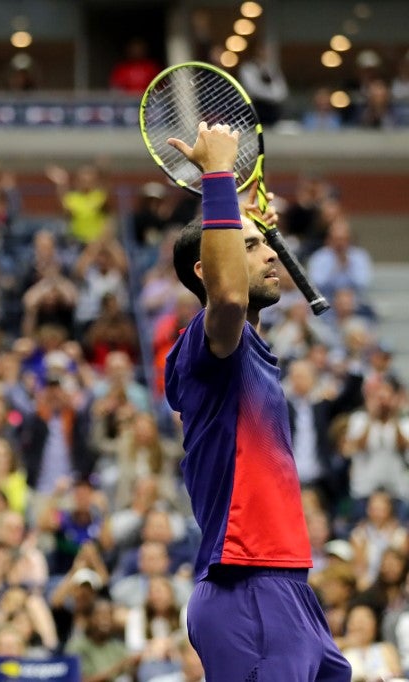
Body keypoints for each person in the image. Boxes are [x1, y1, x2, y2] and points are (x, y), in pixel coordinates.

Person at [164, 121, 352, 680]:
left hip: (289, 587)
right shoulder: (208, 345)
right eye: (251, 246)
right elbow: (227, 296)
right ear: (204, 268)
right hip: (245, 586)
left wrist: (242, 231)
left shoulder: (253, 353)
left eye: (267, 242)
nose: (269, 254)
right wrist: (219, 175)